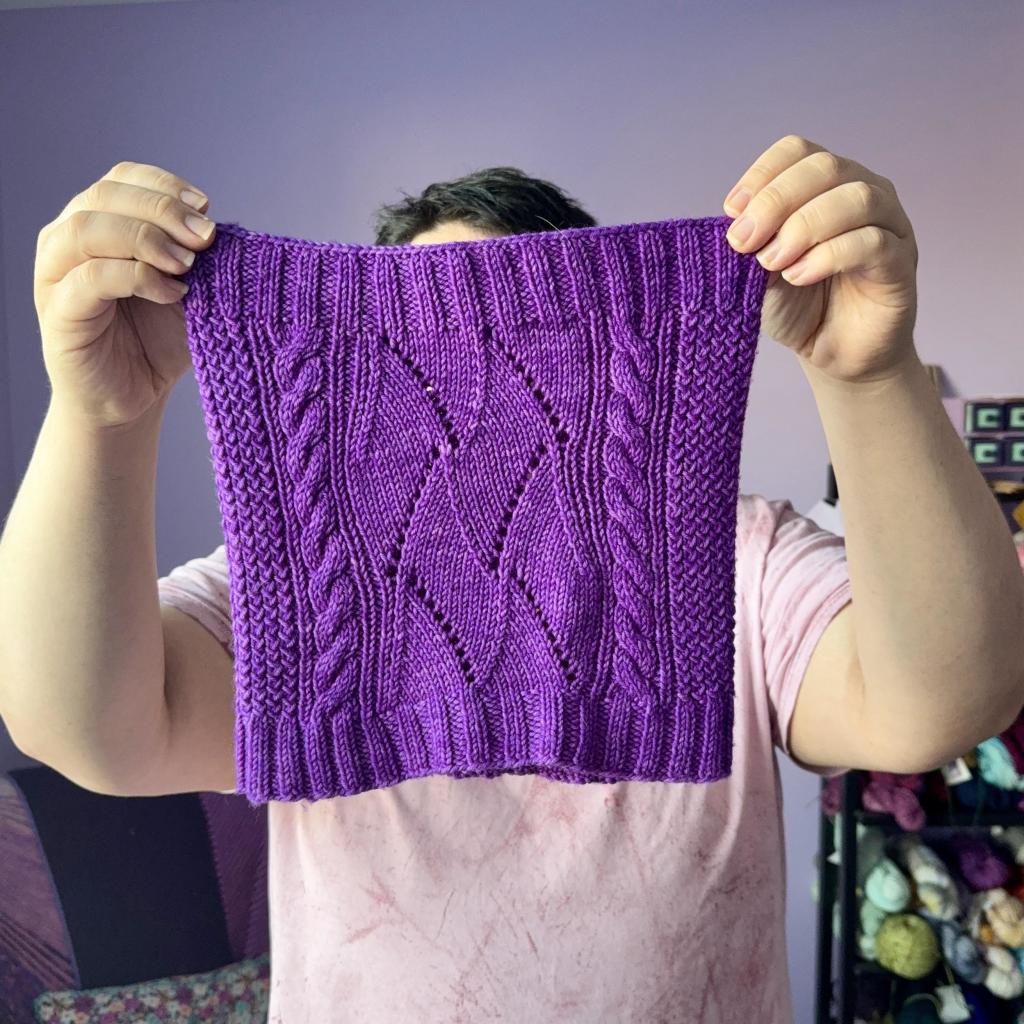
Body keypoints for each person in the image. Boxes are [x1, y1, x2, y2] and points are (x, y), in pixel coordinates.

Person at [2, 135, 1022, 1023]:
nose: (473, 392)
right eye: (425, 350)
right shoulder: (300, 577)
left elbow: (939, 702)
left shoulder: (739, 556)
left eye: (523, 342)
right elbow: (84, 723)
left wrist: (872, 378)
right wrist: (100, 416)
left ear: (609, 349)